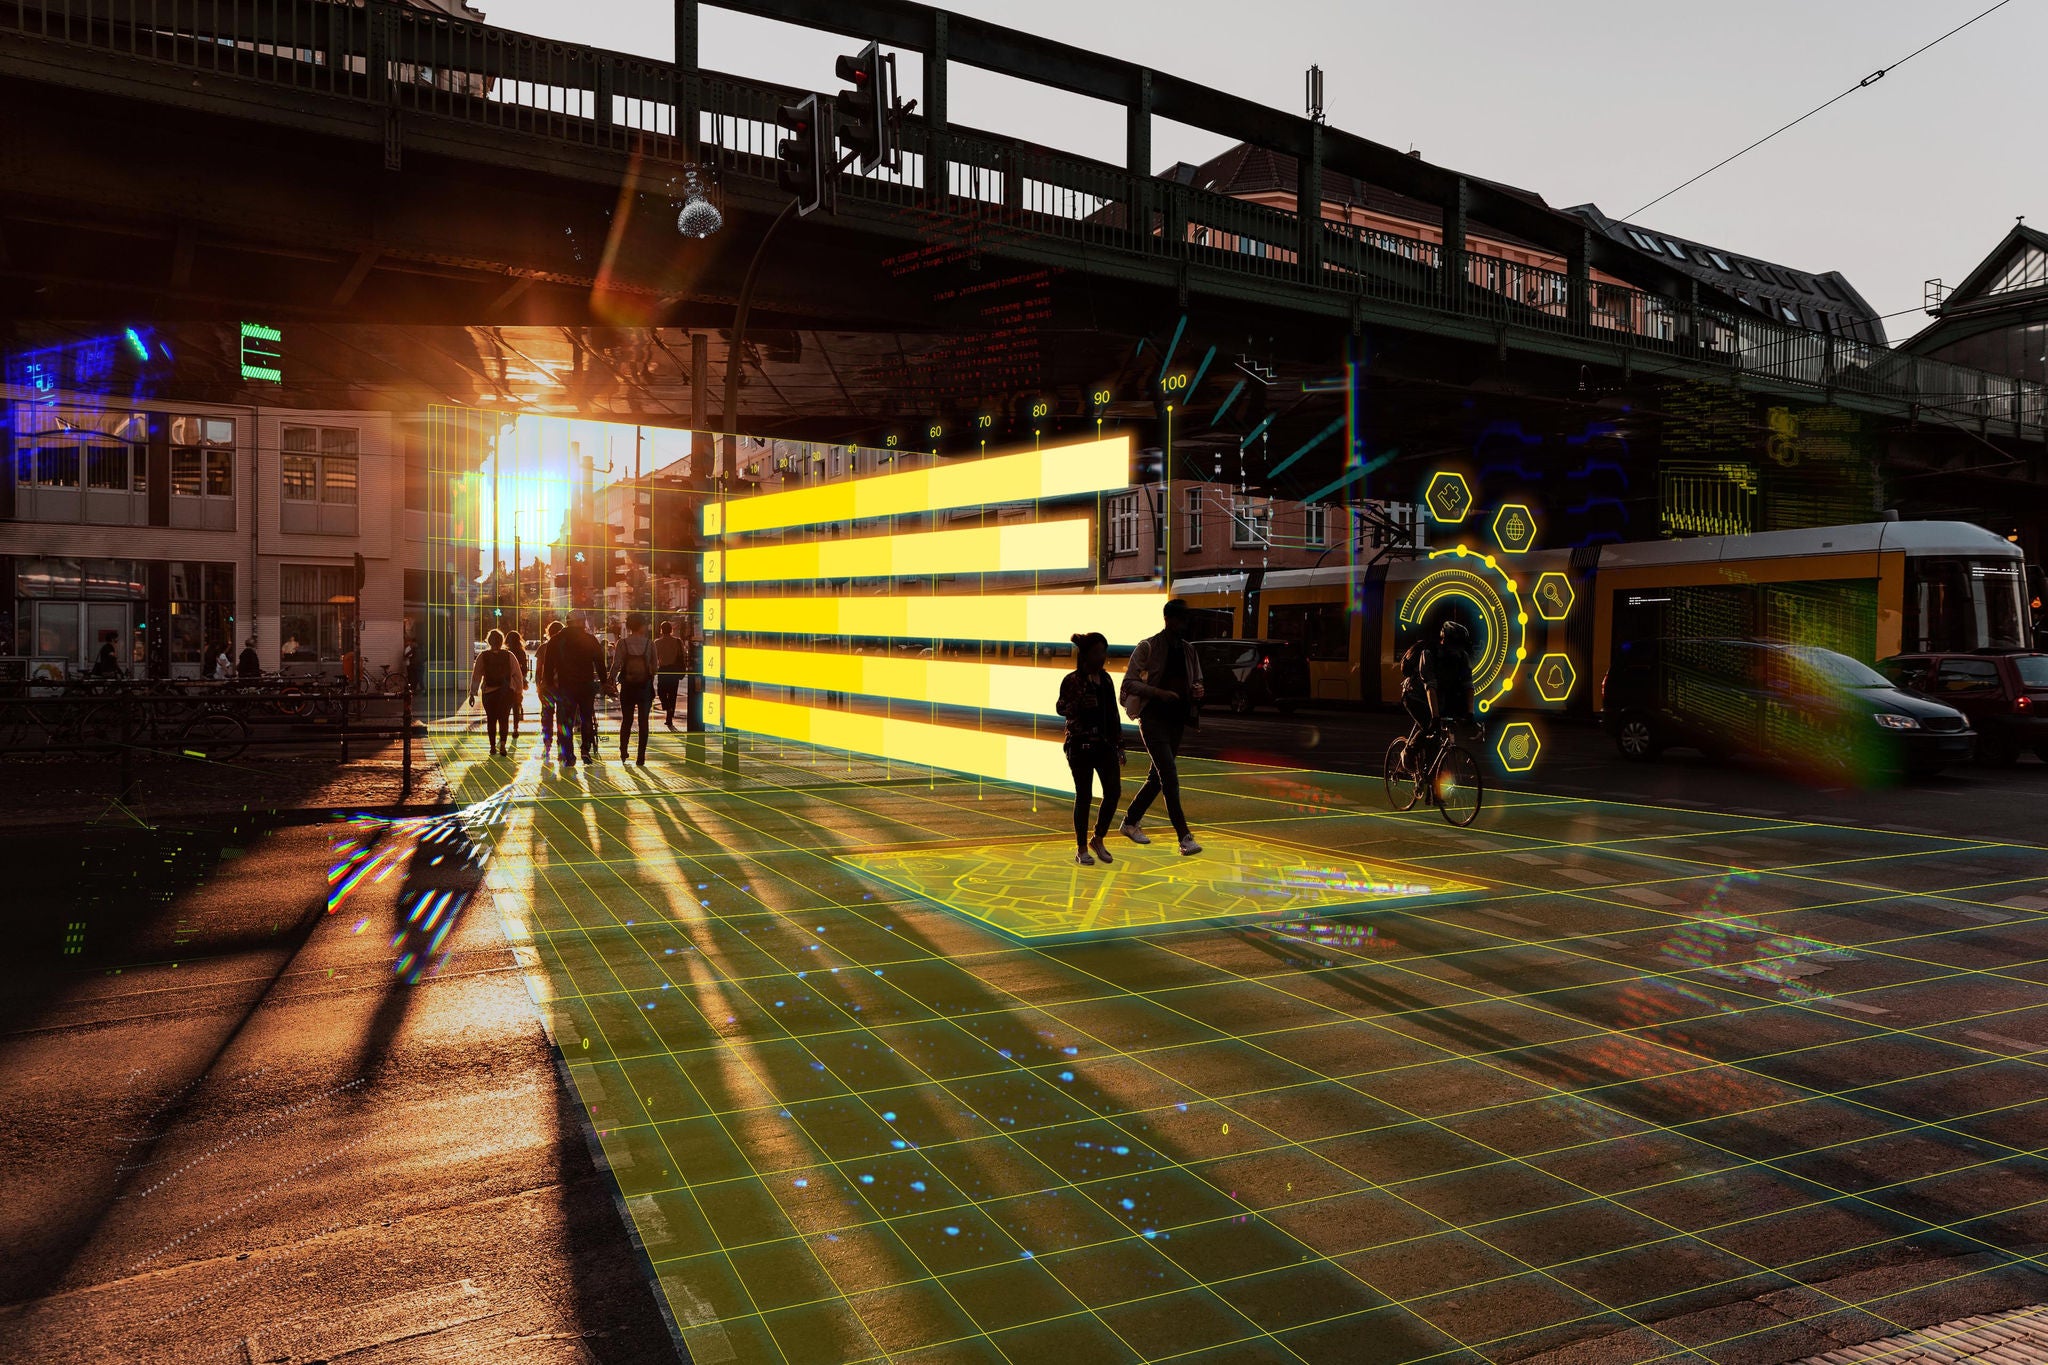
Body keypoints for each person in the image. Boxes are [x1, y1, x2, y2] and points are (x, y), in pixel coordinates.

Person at [1117, 598, 1205, 856]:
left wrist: (1198, 690)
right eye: (1181, 619)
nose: (1185, 624)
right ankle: (1184, 836)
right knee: (1169, 775)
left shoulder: (1189, 650)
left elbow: (1198, 680)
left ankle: (1131, 821)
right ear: (1168, 619)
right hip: (1153, 718)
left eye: (1186, 619)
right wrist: (1158, 693)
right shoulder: (1148, 647)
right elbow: (1129, 683)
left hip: (1177, 719)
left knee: (1157, 777)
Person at [1057, 631, 1123, 866]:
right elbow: (1061, 707)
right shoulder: (1073, 680)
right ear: (1086, 655)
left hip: (1105, 745)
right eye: (1097, 652)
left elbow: (1113, 713)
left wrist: (1119, 744)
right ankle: (1082, 848)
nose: (1102, 657)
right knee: (1084, 795)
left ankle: (1099, 837)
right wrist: (1079, 704)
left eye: (1104, 652)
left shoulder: (1106, 680)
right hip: (1080, 744)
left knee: (1113, 792)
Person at [1412, 620, 1476, 780]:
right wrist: (1435, 717)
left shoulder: (1462, 656)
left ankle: (1432, 775)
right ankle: (1408, 753)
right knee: (1429, 725)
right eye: (1455, 645)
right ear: (1445, 641)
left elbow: (1468, 685)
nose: (1458, 650)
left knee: (1441, 731)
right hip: (1415, 694)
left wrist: (1470, 714)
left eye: (1461, 646)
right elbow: (1430, 686)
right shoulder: (1429, 654)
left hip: (1439, 695)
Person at [544, 613, 606, 767]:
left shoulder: (556, 640)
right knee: (586, 717)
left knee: (565, 721)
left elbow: (548, 666)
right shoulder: (590, 640)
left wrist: (550, 685)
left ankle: (568, 754)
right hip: (586, 686)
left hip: (565, 687)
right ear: (580, 622)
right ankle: (585, 748)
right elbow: (600, 663)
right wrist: (604, 682)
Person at [467, 628, 526, 756]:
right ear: (502, 641)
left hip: (489, 693)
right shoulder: (509, 655)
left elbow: (476, 675)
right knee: (504, 719)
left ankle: (493, 746)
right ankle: (503, 745)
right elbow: (518, 675)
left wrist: (472, 692)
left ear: (488, 641)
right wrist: (519, 692)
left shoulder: (483, 656)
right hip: (506, 693)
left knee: (491, 719)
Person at [613, 614, 656, 766]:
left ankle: (623, 750)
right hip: (644, 688)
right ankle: (641, 757)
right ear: (642, 626)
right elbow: (654, 668)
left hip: (628, 688)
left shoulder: (622, 643)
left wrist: (610, 681)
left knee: (627, 720)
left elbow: (616, 665)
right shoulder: (650, 644)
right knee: (644, 722)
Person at [534, 619, 563, 752]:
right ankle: (561, 740)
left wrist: (538, 686)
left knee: (547, 714)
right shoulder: (565, 647)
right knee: (562, 715)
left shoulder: (543, 648)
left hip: (547, 687)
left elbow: (538, 670)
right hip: (563, 686)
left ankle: (547, 740)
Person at [653, 620, 686, 731]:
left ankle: (666, 707)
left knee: (661, 691)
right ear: (671, 629)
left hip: (663, 670)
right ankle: (669, 717)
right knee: (673, 694)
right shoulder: (678, 641)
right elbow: (683, 655)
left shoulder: (657, 642)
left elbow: (654, 658)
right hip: (674, 670)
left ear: (661, 630)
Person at [505, 629, 530, 745]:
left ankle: (504, 729)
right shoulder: (521, 652)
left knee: (505, 708)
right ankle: (515, 728)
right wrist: (522, 677)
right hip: (517, 682)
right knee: (515, 706)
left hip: (506, 683)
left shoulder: (506, 652)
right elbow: (525, 668)